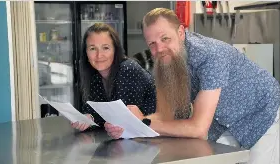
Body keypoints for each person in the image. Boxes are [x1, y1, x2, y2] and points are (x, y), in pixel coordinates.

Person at [105, 8, 280, 164]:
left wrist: (142, 122)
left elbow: (198, 128)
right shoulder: (167, 63)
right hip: (225, 122)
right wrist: (127, 124)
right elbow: (165, 115)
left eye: (165, 38)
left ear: (181, 32)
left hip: (262, 115)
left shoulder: (210, 56)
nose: (159, 49)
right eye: (152, 43)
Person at [72, 23, 156, 131]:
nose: (99, 55)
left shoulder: (128, 68)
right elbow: (94, 110)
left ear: (115, 50)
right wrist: (88, 118)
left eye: (105, 48)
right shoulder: (94, 74)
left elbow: (123, 117)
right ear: (86, 52)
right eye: (93, 49)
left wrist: (93, 118)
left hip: (159, 134)